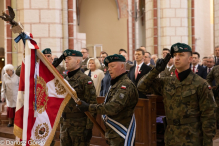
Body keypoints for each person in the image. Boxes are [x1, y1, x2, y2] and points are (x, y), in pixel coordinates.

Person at [137, 43, 216, 146]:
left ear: (190, 59)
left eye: (181, 55)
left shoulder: (201, 84)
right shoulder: (167, 82)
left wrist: (207, 143)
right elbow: (141, 86)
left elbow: (209, 117)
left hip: (192, 138)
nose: (177, 58)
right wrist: (156, 70)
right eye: (174, 56)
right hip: (171, 137)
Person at [77, 54, 138, 146]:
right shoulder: (116, 84)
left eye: (112, 66)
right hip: (113, 132)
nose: (109, 69)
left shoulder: (125, 85)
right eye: (108, 66)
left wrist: (88, 107)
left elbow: (112, 108)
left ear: (122, 66)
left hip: (121, 132)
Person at [57, 49, 97, 146]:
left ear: (78, 61)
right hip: (65, 124)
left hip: (79, 126)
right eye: (65, 59)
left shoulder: (85, 80)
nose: (66, 61)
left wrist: (89, 128)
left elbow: (92, 104)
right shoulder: (64, 79)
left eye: (69, 59)